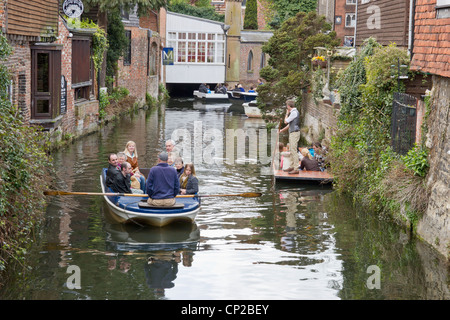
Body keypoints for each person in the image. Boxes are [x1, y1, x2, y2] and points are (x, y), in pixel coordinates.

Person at [279, 100, 300, 174]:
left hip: (294, 133)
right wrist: (281, 130)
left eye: (286, 106)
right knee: (291, 149)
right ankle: (292, 166)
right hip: (292, 133)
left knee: (293, 150)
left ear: (288, 106)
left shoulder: (294, 112)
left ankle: (296, 168)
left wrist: (286, 114)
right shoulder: (293, 112)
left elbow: (286, 121)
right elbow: (289, 125)